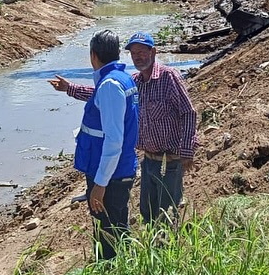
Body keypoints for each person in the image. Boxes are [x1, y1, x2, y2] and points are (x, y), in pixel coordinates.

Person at [51, 31, 199, 226]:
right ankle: (152, 253)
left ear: (153, 52)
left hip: (170, 160)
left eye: (142, 52)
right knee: (148, 213)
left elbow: (188, 112)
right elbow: (102, 96)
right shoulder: (135, 80)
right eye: (134, 53)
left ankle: (168, 253)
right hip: (148, 160)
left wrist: (187, 151)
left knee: (167, 214)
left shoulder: (168, 77)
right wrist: (70, 88)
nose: (138, 56)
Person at [57, 30, 139, 260]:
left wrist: (100, 184)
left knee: (108, 231)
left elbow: (114, 139)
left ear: (93, 55)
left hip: (111, 175)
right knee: (115, 227)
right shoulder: (120, 79)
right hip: (117, 170)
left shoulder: (111, 84)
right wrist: (70, 89)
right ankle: (122, 274)